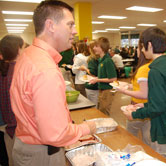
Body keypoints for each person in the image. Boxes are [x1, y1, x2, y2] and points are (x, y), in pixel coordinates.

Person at [10, 1, 96, 166]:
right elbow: (55, 134)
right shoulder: (45, 70)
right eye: (70, 25)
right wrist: (87, 128)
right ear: (51, 25)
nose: (75, 31)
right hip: (42, 153)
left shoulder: (28, 54)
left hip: (25, 143)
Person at [123, 27, 166, 164]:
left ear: (149, 45)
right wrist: (144, 104)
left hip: (162, 127)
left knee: (162, 160)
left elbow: (157, 107)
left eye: (143, 47)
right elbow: (165, 99)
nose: (142, 51)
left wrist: (134, 115)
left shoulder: (155, 71)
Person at [117, 45, 152, 146]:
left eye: (139, 48)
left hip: (138, 106)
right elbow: (144, 86)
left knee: (131, 136)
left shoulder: (144, 69)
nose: (137, 50)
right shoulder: (147, 66)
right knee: (147, 138)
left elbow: (144, 93)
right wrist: (129, 85)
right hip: (148, 106)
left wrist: (123, 91)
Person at [0, 35, 24, 166]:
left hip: (7, 128)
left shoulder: (4, 68)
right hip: (18, 129)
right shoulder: (19, 70)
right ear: (18, 50)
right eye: (24, 47)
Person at [89, 37, 117, 115]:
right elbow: (104, 76)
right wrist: (96, 78)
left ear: (102, 48)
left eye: (96, 46)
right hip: (102, 90)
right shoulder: (101, 60)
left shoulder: (107, 61)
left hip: (107, 90)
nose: (94, 48)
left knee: (104, 112)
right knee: (101, 111)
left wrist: (97, 80)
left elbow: (113, 78)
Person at [84, 40, 99, 107]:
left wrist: (85, 69)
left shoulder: (92, 59)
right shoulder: (101, 57)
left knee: (93, 105)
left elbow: (92, 73)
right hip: (99, 85)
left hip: (92, 85)